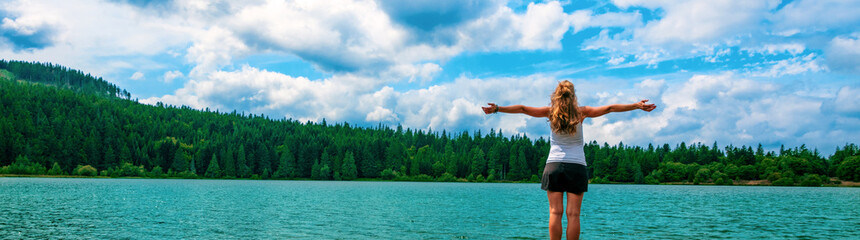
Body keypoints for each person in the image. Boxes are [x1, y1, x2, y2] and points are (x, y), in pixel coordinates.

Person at [481, 80, 656, 240]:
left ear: (556, 95)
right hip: (577, 167)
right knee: (573, 215)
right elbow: (610, 108)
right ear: (573, 95)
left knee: (555, 212)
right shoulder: (582, 112)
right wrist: (636, 105)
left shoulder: (550, 112)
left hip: (554, 166)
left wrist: (498, 109)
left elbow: (523, 109)